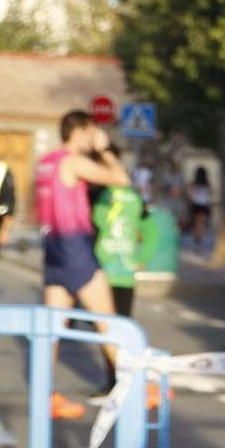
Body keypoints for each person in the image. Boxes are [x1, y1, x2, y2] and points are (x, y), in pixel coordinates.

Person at [37, 113, 141, 420]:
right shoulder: (72, 161)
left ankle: (44, 395)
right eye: (91, 133)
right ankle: (131, 388)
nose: (94, 139)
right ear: (80, 131)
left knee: (52, 331)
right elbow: (122, 179)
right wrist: (106, 150)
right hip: (75, 250)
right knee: (108, 323)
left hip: (53, 249)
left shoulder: (46, 161)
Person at [91, 145, 148, 394]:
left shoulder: (100, 195)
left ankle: (118, 382)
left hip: (105, 273)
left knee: (109, 330)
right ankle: (120, 381)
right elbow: (150, 228)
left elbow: (148, 228)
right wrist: (141, 257)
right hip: (122, 273)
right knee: (118, 329)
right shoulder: (134, 195)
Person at [186, 166, 214, 246]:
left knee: (196, 223)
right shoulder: (207, 184)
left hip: (196, 204)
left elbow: (190, 193)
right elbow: (210, 194)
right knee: (202, 224)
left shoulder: (194, 183)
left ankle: (197, 239)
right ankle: (200, 238)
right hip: (204, 205)